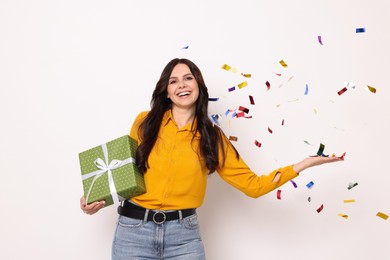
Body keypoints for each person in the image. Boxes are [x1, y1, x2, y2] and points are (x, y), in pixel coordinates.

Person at [80, 58, 343, 259]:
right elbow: (123, 171)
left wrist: (303, 165)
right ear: (166, 91)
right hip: (132, 233)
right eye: (173, 81)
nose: (182, 85)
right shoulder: (144, 123)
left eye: (188, 78)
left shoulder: (213, 138)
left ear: (199, 86)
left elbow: (253, 186)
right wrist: (95, 198)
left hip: (184, 237)